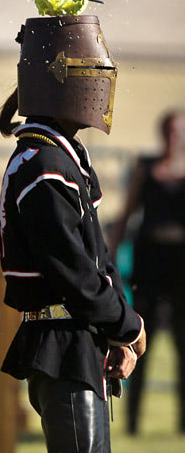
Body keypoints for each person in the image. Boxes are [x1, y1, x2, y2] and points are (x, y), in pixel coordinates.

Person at [0, 14, 146, 452]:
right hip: (62, 345)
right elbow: (73, 272)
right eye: (89, 72)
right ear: (55, 81)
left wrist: (115, 329)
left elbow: (98, 258)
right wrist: (128, 325)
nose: (99, 83)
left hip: (82, 340)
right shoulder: (44, 165)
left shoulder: (63, 157)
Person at [110, 110, 185, 435]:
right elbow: (127, 211)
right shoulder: (146, 166)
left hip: (181, 269)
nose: (174, 136)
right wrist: (110, 254)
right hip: (150, 265)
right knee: (140, 340)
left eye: (179, 130)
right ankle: (132, 423)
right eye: (170, 130)